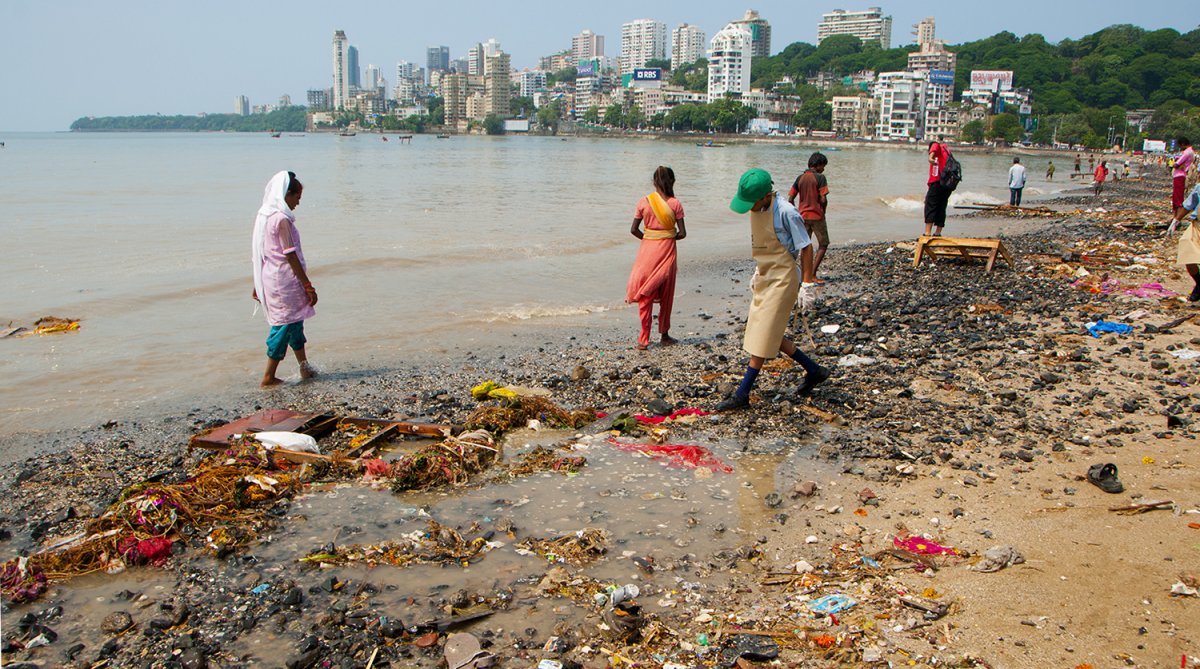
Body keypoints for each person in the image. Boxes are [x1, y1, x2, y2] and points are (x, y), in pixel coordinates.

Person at [716, 168, 828, 411]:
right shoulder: (759, 210)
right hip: (766, 274)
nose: (750, 208)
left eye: (752, 203)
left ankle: (742, 394)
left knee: (764, 333)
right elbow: (763, 245)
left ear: (766, 196)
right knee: (768, 331)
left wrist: (807, 283)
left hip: (785, 277)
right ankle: (814, 370)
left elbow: (806, 246)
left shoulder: (786, 212)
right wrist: (758, 271)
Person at [251, 170, 317, 386]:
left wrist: (257, 283)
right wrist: (307, 285)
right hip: (285, 282)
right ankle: (268, 376)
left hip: (274, 278)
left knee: (295, 323)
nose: (298, 203)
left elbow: (261, 252)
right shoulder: (281, 220)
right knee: (282, 326)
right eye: (297, 197)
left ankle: (304, 367)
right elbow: (290, 254)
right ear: (286, 195)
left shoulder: (266, 217)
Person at [626, 166, 686, 350]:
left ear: (654, 182)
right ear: (673, 182)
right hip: (667, 252)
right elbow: (682, 233)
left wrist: (650, 238)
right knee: (666, 294)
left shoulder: (644, 202)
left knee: (646, 292)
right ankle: (664, 335)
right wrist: (667, 237)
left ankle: (643, 339)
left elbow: (633, 229)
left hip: (647, 252)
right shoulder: (675, 204)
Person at [787, 152, 831, 281]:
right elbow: (823, 199)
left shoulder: (800, 178)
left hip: (802, 216)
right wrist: (824, 211)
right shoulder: (820, 177)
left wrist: (796, 212)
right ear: (818, 165)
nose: (823, 169)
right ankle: (812, 274)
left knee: (805, 246)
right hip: (817, 216)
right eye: (823, 166)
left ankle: (804, 275)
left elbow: (790, 198)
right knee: (823, 244)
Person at [1168, 183, 1200, 301]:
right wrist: (1176, 221)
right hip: (1197, 225)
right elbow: (1189, 205)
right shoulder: (1199, 187)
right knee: (1188, 254)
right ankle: (1199, 283)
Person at [923, 138, 952, 236]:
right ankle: (938, 232)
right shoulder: (946, 150)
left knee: (930, 205)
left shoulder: (936, 146)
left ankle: (927, 232)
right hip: (947, 184)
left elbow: (934, 147)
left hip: (937, 182)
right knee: (941, 206)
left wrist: (930, 158)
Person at [1171, 138, 1194, 216]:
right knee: (1177, 197)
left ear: (1183, 144)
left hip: (1179, 176)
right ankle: (1175, 217)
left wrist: (1176, 163)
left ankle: (1177, 218)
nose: (1180, 148)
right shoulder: (1190, 152)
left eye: (1180, 146)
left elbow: (1176, 164)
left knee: (1178, 198)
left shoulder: (1187, 153)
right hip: (1181, 175)